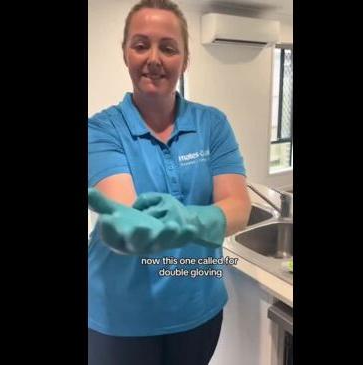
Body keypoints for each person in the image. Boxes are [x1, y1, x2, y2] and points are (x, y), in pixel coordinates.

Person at [87, 1, 251, 364]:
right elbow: (125, 210)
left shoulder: (212, 124)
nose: (154, 58)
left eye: (168, 47)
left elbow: (238, 206)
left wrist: (188, 220)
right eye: (141, 45)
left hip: (198, 309)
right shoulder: (100, 130)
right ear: (125, 53)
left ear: (185, 59)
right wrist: (127, 228)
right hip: (120, 319)